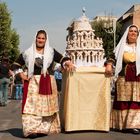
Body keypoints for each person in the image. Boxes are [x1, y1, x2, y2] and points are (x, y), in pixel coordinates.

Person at [11, 29, 75, 138]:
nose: (40, 40)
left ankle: (43, 129)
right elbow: (16, 64)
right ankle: (31, 130)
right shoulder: (27, 52)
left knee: (46, 106)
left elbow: (63, 59)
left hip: (48, 82)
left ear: (46, 40)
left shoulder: (51, 51)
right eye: (39, 38)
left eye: (43, 38)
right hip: (33, 83)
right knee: (32, 107)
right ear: (35, 38)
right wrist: (21, 75)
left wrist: (68, 63)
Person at [105, 24, 140, 134]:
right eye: (131, 31)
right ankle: (121, 124)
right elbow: (112, 57)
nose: (133, 33)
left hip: (138, 78)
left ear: (138, 34)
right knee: (123, 101)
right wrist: (109, 64)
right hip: (123, 77)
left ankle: (134, 125)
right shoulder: (121, 47)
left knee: (136, 101)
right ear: (127, 34)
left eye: (135, 31)